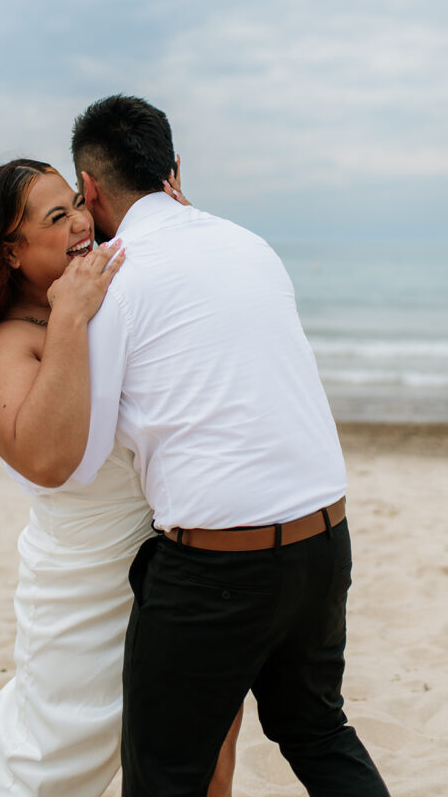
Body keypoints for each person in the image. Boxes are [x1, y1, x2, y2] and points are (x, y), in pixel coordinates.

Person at [36, 94, 390, 797]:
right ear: (175, 167)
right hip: (326, 540)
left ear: (93, 190)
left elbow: (79, 452)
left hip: (220, 570)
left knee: (164, 774)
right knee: (318, 733)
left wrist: (63, 324)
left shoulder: (115, 277)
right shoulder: (248, 244)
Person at [0, 158, 241, 797]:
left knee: (209, 734)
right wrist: (67, 318)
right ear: (9, 250)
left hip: (172, 566)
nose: (83, 223)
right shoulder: (7, 347)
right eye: (57, 218)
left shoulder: (101, 284)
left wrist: (176, 222)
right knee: (51, 761)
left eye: (77, 205)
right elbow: (49, 459)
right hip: (81, 588)